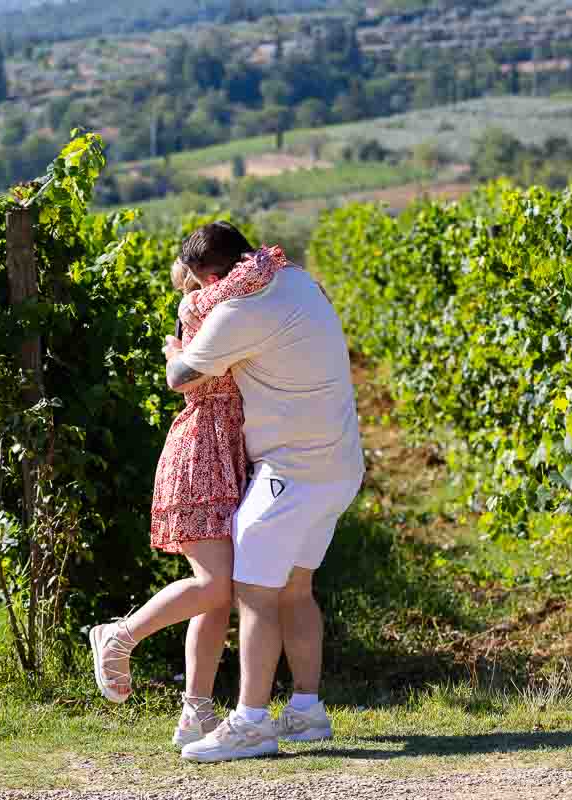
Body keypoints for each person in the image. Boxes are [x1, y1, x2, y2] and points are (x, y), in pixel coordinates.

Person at [167, 222, 365, 763]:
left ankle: (251, 722)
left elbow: (182, 377)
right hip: (340, 465)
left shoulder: (237, 311)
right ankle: (305, 711)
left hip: (290, 471)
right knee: (296, 590)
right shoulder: (294, 278)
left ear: (210, 277)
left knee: (254, 592)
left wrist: (174, 345)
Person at [89, 241, 289, 748]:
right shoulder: (202, 305)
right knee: (217, 586)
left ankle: (195, 713)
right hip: (202, 449)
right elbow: (246, 281)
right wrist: (261, 259)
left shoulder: (222, 306)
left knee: (214, 594)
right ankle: (119, 635)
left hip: (228, 448)